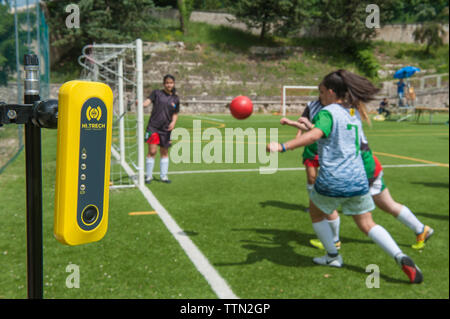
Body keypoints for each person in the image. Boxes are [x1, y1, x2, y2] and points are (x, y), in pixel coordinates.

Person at [268, 69, 423, 283]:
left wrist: (283, 146)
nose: (320, 96)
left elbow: (316, 135)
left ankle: (333, 256)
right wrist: (309, 126)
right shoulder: (352, 111)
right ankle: (400, 256)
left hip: (334, 178)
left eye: (322, 92)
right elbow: (334, 133)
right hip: (358, 178)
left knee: (315, 212)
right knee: (368, 224)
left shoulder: (326, 111)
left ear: (331, 92)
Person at [287, 115, 434, 251]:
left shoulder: (335, 116)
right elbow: (323, 133)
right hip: (369, 166)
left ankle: (334, 243)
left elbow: (321, 135)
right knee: (387, 205)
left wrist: (284, 145)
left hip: (361, 171)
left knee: (341, 210)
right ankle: (420, 229)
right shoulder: (347, 116)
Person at [143, 74, 180, 184]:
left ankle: (163, 176)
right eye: (167, 83)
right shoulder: (157, 93)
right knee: (152, 151)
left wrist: (173, 122)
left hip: (166, 129)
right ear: (164, 84)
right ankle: (148, 176)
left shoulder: (175, 98)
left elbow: (175, 113)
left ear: (173, 84)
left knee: (164, 152)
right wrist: (141, 104)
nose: (169, 84)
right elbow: (147, 102)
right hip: (153, 127)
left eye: (171, 83)